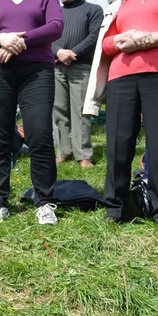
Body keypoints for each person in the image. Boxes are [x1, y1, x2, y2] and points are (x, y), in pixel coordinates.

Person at [0, 0, 63, 224]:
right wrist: (0, 38)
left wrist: (20, 40)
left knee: (39, 133)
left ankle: (44, 202)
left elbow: (56, 26)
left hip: (37, 71)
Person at [83, 0, 158, 223]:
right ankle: (115, 208)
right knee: (118, 143)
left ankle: (156, 208)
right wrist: (118, 40)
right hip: (120, 78)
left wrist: (149, 39)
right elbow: (104, 44)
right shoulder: (119, 5)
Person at [52, 0, 103, 169]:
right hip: (56, 65)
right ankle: (63, 151)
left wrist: (72, 53)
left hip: (81, 66)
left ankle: (83, 154)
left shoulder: (93, 9)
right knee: (58, 110)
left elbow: (94, 36)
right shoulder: (54, 11)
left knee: (81, 110)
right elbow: (48, 36)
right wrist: (58, 52)